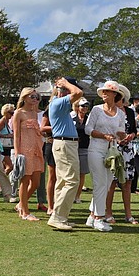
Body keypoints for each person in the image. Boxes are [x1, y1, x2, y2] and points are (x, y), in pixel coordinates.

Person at [84, 81, 127, 232]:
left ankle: (91, 216)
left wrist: (123, 136)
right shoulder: (96, 110)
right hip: (96, 148)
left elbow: (120, 132)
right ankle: (99, 218)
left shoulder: (120, 114)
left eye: (107, 91)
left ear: (114, 94)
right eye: (103, 91)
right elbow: (88, 129)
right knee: (100, 183)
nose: (104, 94)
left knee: (107, 183)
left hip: (112, 151)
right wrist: (103, 136)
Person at [46, 77, 83, 230]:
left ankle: (60, 216)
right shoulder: (58, 102)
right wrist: (66, 84)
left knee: (62, 182)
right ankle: (58, 217)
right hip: (65, 144)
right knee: (71, 181)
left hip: (65, 143)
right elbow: (79, 93)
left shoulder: (59, 105)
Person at [11, 87, 45, 221]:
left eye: (36, 97)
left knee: (36, 182)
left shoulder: (34, 113)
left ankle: (21, 204)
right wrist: (18, 153)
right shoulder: (18, 113)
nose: (35, 99)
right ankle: (25, 211)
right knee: (24, 181)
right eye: (32, 97)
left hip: (36, 149)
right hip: (24, 150)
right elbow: (16, 135)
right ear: (24, 97)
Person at [106, 87, 138, 224]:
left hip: (128, 150)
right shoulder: (110, 112)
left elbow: (134, 130)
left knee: (128, 182)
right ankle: (108, 213)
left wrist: (131, 136)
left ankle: (128, 214)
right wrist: (118, 139)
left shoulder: (130, 112)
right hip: (114, 148)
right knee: (112, 181)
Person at [72, 98, 90, 204]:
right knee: (72, 173)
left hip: (84, 147)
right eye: (82, 106)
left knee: (82, 173)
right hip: (73, 147)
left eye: (86, 106)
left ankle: (77, 196)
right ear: (78, 107)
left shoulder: (89, 119)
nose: (84, 108)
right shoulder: (72, 117)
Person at [0, 103, 15, 175]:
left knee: (5, 167)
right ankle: (0, 182)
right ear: (6, 112)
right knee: (10, 167)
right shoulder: (2, 121)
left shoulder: (7, 121)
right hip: (3, 147)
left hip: (7, 147)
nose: (12, 115)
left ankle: (1, 183)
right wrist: (7, 136)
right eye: (11, 113)